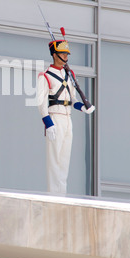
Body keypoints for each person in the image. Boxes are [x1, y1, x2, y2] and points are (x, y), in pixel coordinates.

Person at [37, 37, 95, 195]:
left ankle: (62, 194)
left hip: (67, 119)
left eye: (67, 54)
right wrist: (48, 123)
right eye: (63, 54)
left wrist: (83, 107)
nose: (66, 58)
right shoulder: (45, 76)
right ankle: (54, 195)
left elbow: (72, 99)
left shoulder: (69, 75)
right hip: (55, 117)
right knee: (54, 160)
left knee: (64, 160)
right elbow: (41, 103)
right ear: (55, 54)